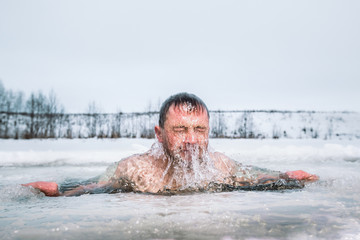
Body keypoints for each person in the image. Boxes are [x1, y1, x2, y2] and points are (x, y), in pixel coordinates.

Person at [23, 93, 318, 197]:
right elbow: (92, 186)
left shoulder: (221, 166)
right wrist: (59, 190)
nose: (192, 140)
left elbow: (256, 177)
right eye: (180, 129)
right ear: (159, 134)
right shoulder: (137, 169)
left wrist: (285, 177)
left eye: (199, 129)